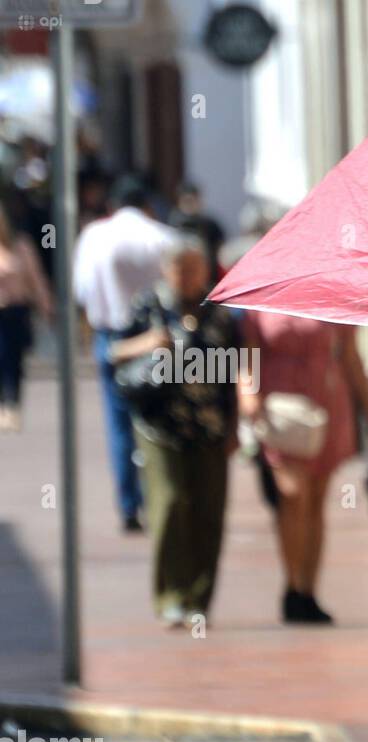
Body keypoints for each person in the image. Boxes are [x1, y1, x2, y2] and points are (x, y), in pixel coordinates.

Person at [108, 235, 239, 627]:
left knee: (209, 512)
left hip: (210, 427)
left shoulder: (218, 312)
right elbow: (112, 351)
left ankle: (199, 600)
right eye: (180, 268)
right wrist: (148, 342)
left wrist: (234, 425)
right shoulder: (148, 306)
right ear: (166, 270)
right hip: (159, 425)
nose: (187, 276)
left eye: (195, 268)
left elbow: (233, 371)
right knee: (170, 506)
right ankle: (170, 597)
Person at [237, 310, 368, 624]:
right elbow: (248, 359)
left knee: (316, 501)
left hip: (328, 403)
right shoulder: (259, 307)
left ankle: (308, 590)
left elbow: (350, 357)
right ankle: (291, 585)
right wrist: (248, 394)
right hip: (282, 410)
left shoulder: (332, 303)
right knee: (293, 495)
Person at [73, 175, 180, 532]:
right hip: (156, 337)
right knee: (156, 417)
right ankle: (157, 496)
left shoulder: (94, 236)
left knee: (118, 423)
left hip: (112, 338)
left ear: (112, 205)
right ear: (146, 205)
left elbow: (82, 289)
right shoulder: (163, 236)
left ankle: (129, 504)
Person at [0, 203, 53, 431]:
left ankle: (12, 407)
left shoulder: (21, 246)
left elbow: (36, 279)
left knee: (12, 362)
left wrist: (46, 306)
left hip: (15, 313)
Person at [169, 180, 226, 280]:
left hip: (207, 276)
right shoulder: (173, 222)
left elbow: (219, 250)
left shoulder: (210, 224)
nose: (190, 204)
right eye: (186, 200)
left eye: (193, 199)